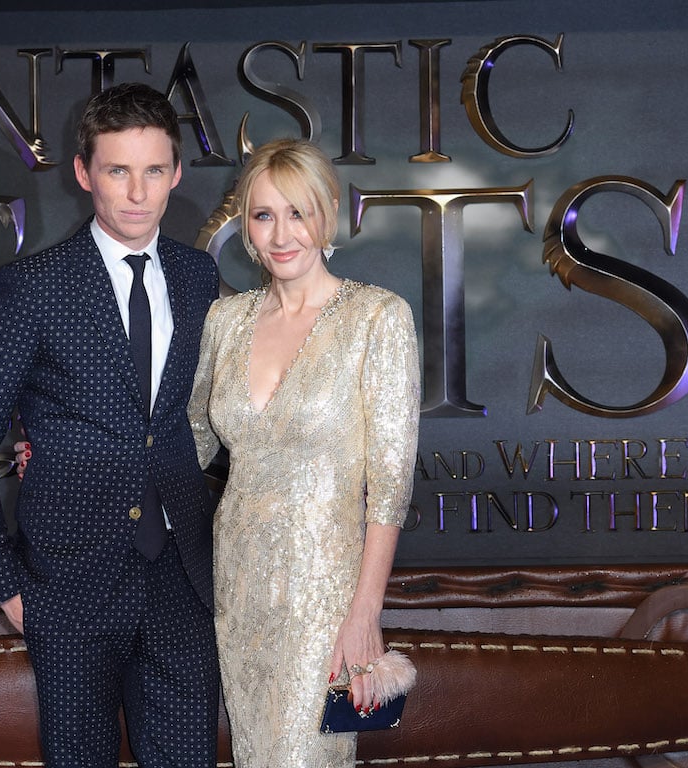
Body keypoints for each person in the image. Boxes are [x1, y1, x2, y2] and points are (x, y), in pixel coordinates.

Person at [0, 82, 220, 768]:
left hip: (182, 581)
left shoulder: (198, 277)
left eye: (153, 170)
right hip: (67, 586)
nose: (137, 193)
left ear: (176, 174)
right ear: (84, 172)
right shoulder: (35, 287)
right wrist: (3, 584)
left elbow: (212, 419)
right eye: (118, 170)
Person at [187, 138, 420, 767]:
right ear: (245, 224)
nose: (281, 234)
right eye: (263, 215)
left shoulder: (377, 318)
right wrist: (67, 450)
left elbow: (390, 484)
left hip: (326, 591)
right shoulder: (225, 321)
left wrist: (365, 611)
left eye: (298, 212)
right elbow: (186, 443)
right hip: (238, 584)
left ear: (328, 214)